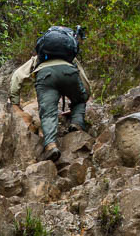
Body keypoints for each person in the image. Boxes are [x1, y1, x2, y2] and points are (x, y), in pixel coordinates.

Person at [9, 25, 89, 161]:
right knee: (80, 99)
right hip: (68, 72)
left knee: (48, 113)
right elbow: (84, 82)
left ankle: (51, 145)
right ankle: (76, 123)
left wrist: (15, 102)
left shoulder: (39, 58)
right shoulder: (71, 58)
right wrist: (82, 99)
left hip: (45, 77)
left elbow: (17, 76)